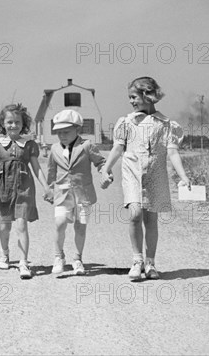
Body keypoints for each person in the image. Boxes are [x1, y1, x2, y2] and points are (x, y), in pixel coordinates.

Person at [101, 76, 191, 281]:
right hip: (132, 172)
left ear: (147, 95)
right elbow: (117, 148)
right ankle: (137, 260)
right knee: (135, 214)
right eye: (129, 98)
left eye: (134, 97)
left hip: (155, 174)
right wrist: (106, 169)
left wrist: (183, 177)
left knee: (151, 219)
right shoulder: (126, 122)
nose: (131, 101)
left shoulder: (166, 124)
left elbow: (173, 152)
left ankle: (150, 263)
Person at [0, 103, 52, 280]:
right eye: (9, 122)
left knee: (21, 224)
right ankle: (4, 253)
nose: (13, 125)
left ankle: (23, 262)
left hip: (24, 187)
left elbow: (36, 168)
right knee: (5, 226)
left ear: (23, 124)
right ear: (3, 123)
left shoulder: (28, 144)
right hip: (2, 188)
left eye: (17, 122)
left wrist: (47, 187)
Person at [47, 109, 110, 276]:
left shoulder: (87, 145)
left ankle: (77, 259)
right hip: (62, 194)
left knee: (80, 227)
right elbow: (51, 171)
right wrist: (49, 188)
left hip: (83, 194)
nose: (62, 135)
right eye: (59, 132)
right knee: (60, 223)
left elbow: (101, 162)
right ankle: (58, 257)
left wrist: (105, 173)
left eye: (66, 131)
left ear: (78, 129)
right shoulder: (53, 149)